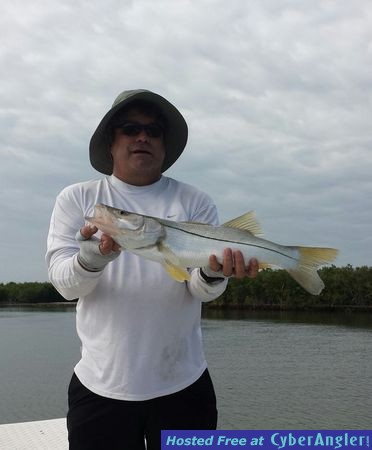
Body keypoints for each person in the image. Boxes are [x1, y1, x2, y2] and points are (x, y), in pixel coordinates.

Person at [46, 89, 258, 450]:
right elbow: (65, 286)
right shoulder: (78, 199)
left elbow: (200, 290)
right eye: (130, 128)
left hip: (184, 386)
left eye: (153, 130)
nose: (142, 136)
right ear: (111, 142)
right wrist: (92, 259)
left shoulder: (194, 201)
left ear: (164, 145)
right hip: (100, 389)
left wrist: (214, 273)